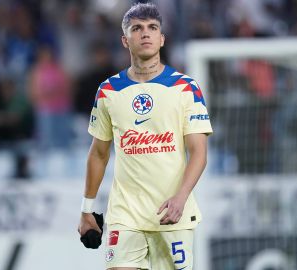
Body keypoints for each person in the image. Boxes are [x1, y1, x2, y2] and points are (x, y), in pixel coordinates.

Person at [77, 3, 213, 269]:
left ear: (162, 39)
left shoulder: (185, 88)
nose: (145, 34)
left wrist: (181, 197)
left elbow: (199, 152)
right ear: (125, 40)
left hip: (173, 213)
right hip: (125, 216)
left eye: (152, 28)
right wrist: (86, 209)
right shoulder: (108, 91)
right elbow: (99, 153)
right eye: (137, 29)